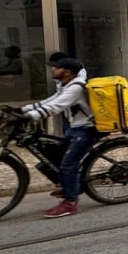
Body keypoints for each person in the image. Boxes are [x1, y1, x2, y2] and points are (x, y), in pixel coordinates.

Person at [19, 57, 96, 218]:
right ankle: (72, 185)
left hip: (87, 130)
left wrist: (30, 117)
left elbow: (57, 106)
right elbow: (50, 101)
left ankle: (70, 202)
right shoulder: (65, 85)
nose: (53, 70)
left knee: (68, 164)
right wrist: (22, 110)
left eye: (57, 67)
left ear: (67, 72)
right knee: (50, 160)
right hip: (75, 128)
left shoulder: (76, 87)